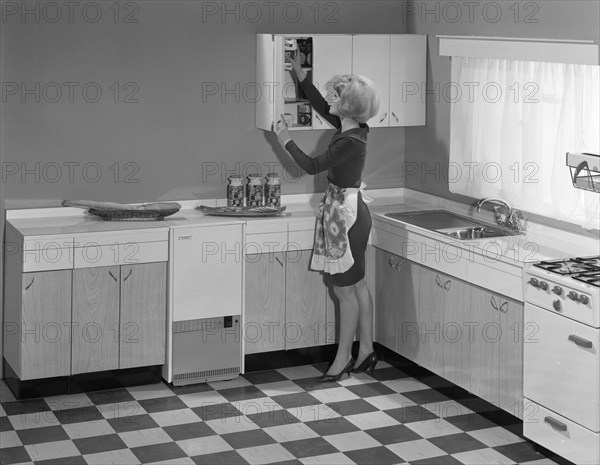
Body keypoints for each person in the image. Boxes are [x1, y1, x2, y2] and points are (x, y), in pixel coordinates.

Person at [274, 55, 380, 382]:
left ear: (346, 107)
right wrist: (300, 74)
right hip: (350, 212)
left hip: (347, 218)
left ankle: (344, 358)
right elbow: (322, 104)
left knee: (344, 291)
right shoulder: (353, 128)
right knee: (357, 285)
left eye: (337, 95)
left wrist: (285, 139)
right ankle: (366, 351)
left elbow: (311, 165)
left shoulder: (349, 139)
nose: (331, 98)